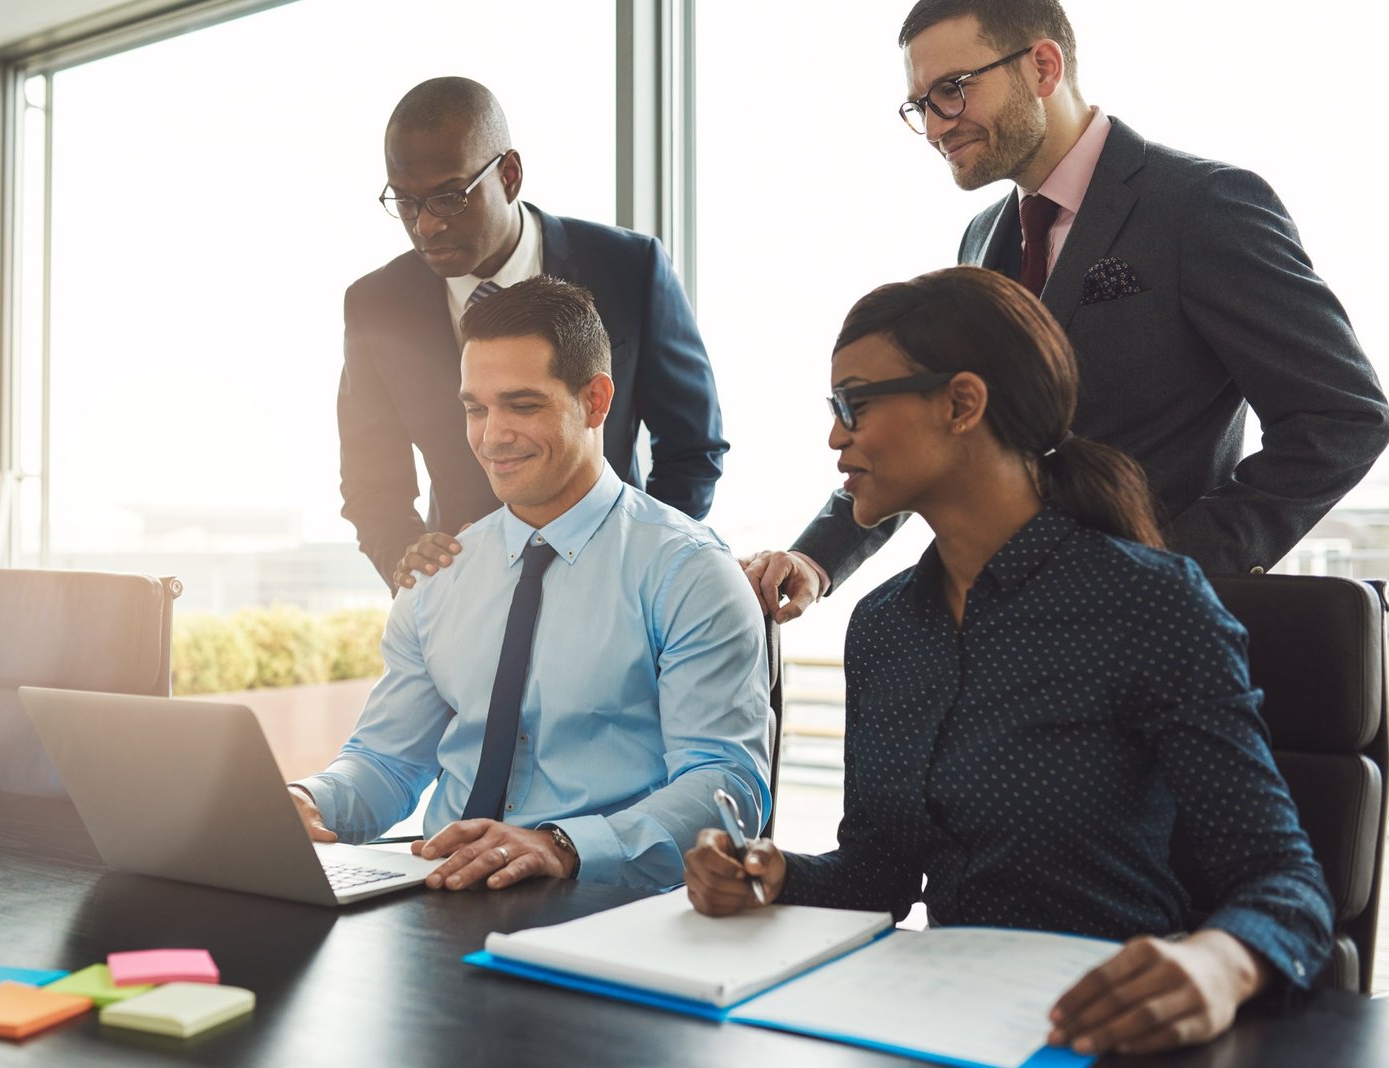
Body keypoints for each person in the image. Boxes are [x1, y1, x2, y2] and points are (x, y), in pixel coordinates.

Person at [685, 267, 1333, 1057]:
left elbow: (1287, 887)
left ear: (962, 403)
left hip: (1111, 1026)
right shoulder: (885, 628)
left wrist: (1219, 963)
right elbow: (878, 879)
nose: (835, 436)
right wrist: (775, 874)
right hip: (945, 1022)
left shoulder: (1149, 605)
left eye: (854, 403)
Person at [745, 0, 1388, 622]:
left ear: (1043, 67)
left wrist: (1170, 566)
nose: (937, 125)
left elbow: (1342, 418)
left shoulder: (1202, 206)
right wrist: (816, 557)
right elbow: (944, 434)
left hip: (1150, 639)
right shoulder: (981, 240)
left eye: (953, 89)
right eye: (921, 105)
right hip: (1006, 625)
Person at [295, 276, 770, 893]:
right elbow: (387, 762)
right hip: (441, 897)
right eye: (475, 408)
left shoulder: (689, 571)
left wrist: (564, 846)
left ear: (596, 401)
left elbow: (724, 786)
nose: (492, 436)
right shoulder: (441, 574)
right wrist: (309, 798)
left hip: (610, 909)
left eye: (522, 405)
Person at [340, 76, 727, 592]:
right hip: (463, 591)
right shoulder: (376, 305)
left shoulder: (630, 269)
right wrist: (408, 560)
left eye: (448, 198)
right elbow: (371, 482)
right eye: (405, 202)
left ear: (509, 174)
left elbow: (692, 447)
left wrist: (643, 559)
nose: (425, 226)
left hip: (616, 584)